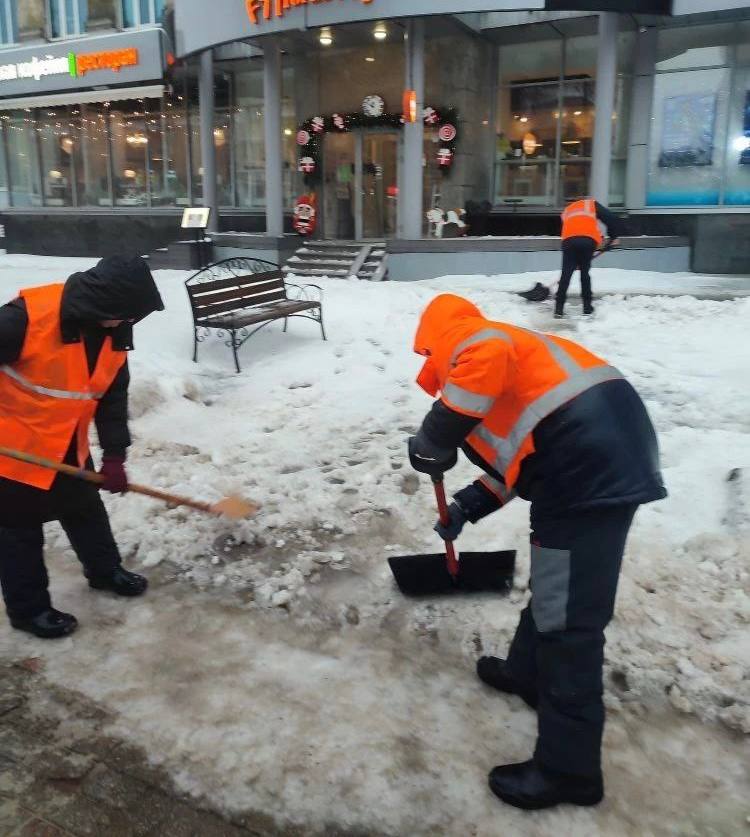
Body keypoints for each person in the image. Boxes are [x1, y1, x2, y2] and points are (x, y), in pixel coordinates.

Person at [407, 294, 666, 811]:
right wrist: (466, 506)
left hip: (586, 464)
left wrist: (435, 434)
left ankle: (569, 772)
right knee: (556, 584)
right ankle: (528, 673)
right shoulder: (525, 369)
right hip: (587, 453)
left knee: (569, 622)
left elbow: (487, 349)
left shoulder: (468, 337)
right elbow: (520, 454)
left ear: (432, 338)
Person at [0, 256, 164, 639]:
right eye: (123, 315)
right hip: (13, 451)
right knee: (18, 532)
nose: (127, 324)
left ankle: (105, 572)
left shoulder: (114, 332)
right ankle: (29, 610)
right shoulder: (24, 318)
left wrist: (115, 456)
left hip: (66, 446)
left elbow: (111, 399)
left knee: (85, 510)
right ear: (102, 303)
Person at [556, 197, 624, 318]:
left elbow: (570, 228)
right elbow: (611, 218)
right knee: (584, 274)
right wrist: (614, 237)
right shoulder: (590, 204)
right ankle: (587, 308)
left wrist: (574, 258)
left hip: (568, 241)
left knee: (566, 274)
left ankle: (558, 310)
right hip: (588, 240)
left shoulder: (567, 210)